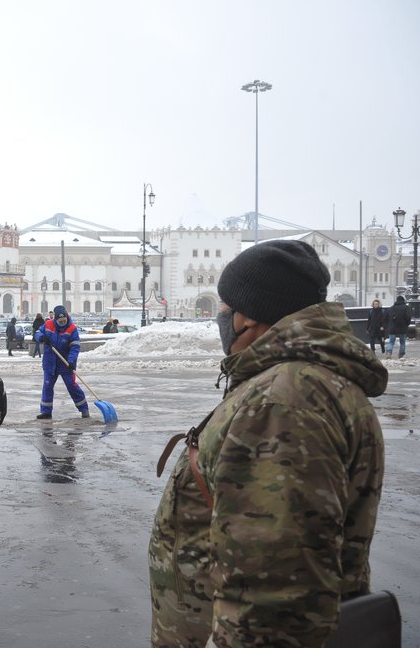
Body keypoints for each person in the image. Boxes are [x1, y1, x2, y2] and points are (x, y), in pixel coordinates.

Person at [149, 240, 387, 647]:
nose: (221, 317)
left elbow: (272, 599)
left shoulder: (282, 401)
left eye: (225, 307)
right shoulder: (299, 385)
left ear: (248, 317)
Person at [34, 305, 89, 419]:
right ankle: (46, 412)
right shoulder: (48, 324)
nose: (62, 323)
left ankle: (84, 409)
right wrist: (42, 337)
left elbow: (75, 347)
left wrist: (71, 361)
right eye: (60, 321)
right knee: (47, 387)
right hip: (50, 363)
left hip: (65, 364)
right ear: (55, 319)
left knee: (72, 386)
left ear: (67, 316)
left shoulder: (72, 329)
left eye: (64, 320)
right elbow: (37, 333)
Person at [385, 294, 412, 359]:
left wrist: (389, 325)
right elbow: (408, 317)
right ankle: (401, 355)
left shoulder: (391, 308)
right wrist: (407, 324)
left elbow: (386, 317)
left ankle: (389, 353)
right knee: (402, 342)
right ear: (403, 301)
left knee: (391, 341)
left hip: (392, 327)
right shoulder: (406, 308)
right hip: (402, 327)